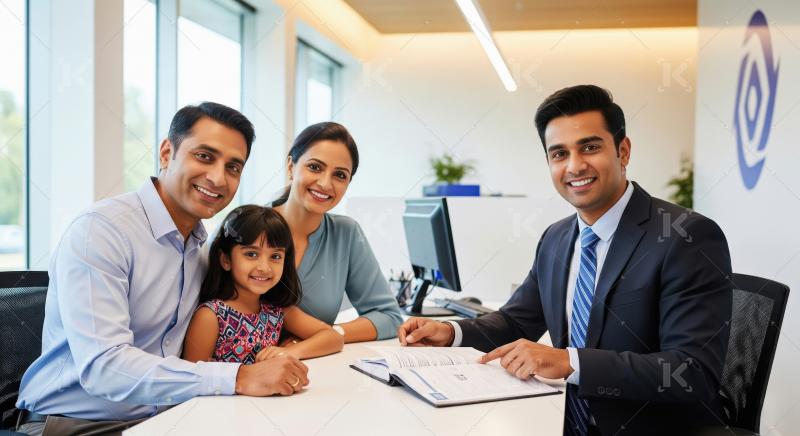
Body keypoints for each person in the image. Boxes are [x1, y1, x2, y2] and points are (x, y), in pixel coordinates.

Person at [397, 85, 732, 435]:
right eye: (559, 154)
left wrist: (570, 361)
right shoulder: (556, 238)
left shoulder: (684, 236)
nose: (574, 166)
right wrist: (451, 332)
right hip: (559, 418)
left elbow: (691, 371)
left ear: (623, 151)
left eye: (590, 147)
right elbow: (516, 321)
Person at [15, 103, 309, 436]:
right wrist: (239, 376)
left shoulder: (200, 251)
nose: (217, 178)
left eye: (233, 167)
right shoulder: (101, 232)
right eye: (204, 156)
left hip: (163, 418)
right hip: (74, 423)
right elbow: (104, 368)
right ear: (167, 152)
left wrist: (280, 346)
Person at [271, 122, 403, 343]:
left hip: (315, 361)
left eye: (340, 175)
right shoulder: (249, 227)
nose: (325, 183)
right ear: (291, 167)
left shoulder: (346, 234)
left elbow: (388, 317)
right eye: (315, 167)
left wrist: (327, 336)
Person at [183, 205, 343, 367]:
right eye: (251, 254)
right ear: (226, 260)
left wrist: (291, 351)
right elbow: (191, 375)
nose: (265, 268)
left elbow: (333, 337)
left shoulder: (278, 310)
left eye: (275, 256)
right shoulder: (210, 316)